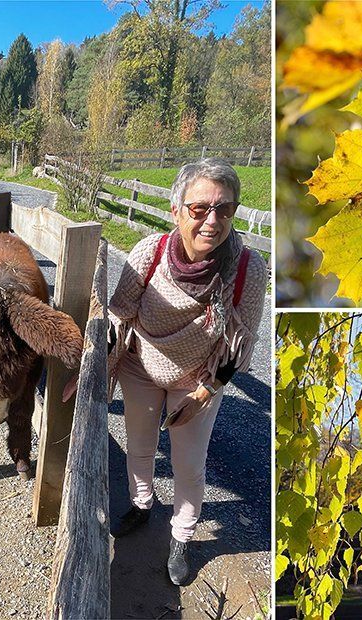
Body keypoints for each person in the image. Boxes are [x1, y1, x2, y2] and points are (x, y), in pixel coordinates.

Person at [103, 158, 266, 585]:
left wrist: (205, 392)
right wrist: (98, 372)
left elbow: (239, 340)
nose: (212, 220)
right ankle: (142, 505)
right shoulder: (149, 252)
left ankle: (182, 536)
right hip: (142, 365)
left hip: (197, 378)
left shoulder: (247, 269)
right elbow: (119, 315)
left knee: (188, 464)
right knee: (139, 446)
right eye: (199, 209)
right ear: (177, 211)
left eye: (225, 209)